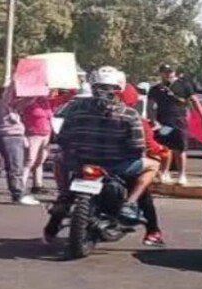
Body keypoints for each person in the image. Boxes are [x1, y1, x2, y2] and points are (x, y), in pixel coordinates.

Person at [55, 66, 159, 226]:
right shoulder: (130, 114)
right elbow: (137, 146)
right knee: (153, 166)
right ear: (119, 89)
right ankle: (129, 204)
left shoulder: (75, 109)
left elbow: (62, 138)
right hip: (116, 166)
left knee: (59, 159)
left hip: (80, 162)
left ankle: (62, 196)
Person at [121, 85, 167, 247]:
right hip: (123, 166)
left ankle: (52, 228)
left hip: (87, 162)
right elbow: (148, 145)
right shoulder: (134, 118)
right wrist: (162, 150)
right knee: (145, 192)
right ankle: (152, 231)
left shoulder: (89, 115)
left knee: (67, 196)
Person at [148, 64, 202, 186]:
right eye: (165, 72)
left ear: (174, 72)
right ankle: (164, 172)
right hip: (163, 122)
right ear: (161, 73)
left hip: (179, 120)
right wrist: (153, 120)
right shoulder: (156, 89)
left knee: (180, 148)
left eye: (170, 71)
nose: (168, 74)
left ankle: (182, 175)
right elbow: (150, 105)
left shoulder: (184, 85)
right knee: (165, 148)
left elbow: (195, 101)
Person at [0, 87, 38, 205]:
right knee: (15, 167)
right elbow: (9, 95)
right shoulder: (1, 104)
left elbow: (27, 101)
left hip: (10, 137)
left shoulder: (8, 107)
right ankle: (18, 194)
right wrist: (15, 80)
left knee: (13, 167)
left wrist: (37, 90)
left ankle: (17, 193)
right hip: (10, 138)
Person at [22, 94, 54, 195]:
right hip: (33, 134)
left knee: (40, 161)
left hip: (46, 134)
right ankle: (20, 186)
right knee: (29, 160)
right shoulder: (28, 101)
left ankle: (37, 185)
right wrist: (33, 97)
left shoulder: (45, 102)